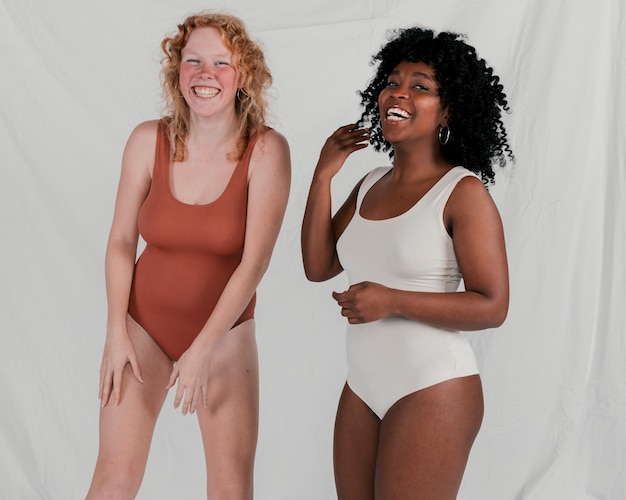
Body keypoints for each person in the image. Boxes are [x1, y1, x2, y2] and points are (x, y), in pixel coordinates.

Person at [301, 26, 512, 499]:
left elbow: (493, 305)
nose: (399, 93)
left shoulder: (462, 192)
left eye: (421, 85)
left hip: (432, 386)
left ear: (448, 111)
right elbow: (318, 266)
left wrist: (390, 300)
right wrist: (322, 176)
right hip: (362, 386)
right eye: (393, 81)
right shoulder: (370, 182)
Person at [86, 12, 290, 499]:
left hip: (224, 336)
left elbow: (254, 263)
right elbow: (120, 241)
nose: (206, 73)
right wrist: (116, 331)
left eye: (221, 63)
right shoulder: (146, 140)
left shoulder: (266, 152)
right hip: (142, 327)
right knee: (113, 482)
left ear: (242, 76)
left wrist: (201, 350)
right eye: (193, 60)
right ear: (177, 70)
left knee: (230, 490)